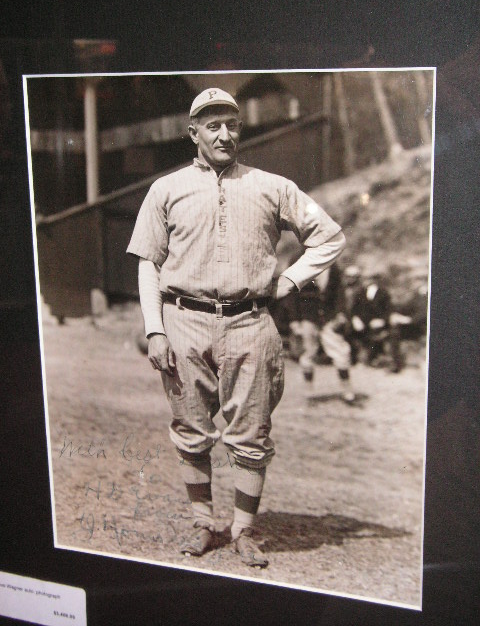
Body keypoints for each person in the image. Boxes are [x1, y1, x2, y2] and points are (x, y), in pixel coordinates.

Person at [126, 87, 345, 568]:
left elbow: (329, 237)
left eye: (231, 124)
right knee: (190, 428)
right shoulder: (166, 189)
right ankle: (203, 522)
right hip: (183, 321)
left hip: (250, 322)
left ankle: (244, 530)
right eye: (213, 126)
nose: (224, 134)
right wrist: (155, 329)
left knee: (251, 432)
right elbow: (148, 263)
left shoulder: (272, 186)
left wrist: (289, 280)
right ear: (194, 133)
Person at [287, 262, 356, 403]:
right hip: (307, 316)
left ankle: (347, 390)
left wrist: (341, 313)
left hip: (329, 316)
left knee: (340, 351)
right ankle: (309, 391)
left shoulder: (332, 264)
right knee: (308, 352)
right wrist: (294, 319)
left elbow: (339, 292)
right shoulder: (299, 261)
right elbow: (292, 294)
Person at [350, 271, 403, 372]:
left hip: (379, 323)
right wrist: (356, 319)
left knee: (388, 335)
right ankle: (355, 359)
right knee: (350, 331)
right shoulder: (360, 292)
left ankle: (387, 361)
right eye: (366, 279)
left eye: (370, 279)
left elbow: (389, 310)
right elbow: (354, 310)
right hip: (363, 323)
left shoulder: (384, 293)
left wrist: (382, 320)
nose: (367, 281)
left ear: (376, 280)